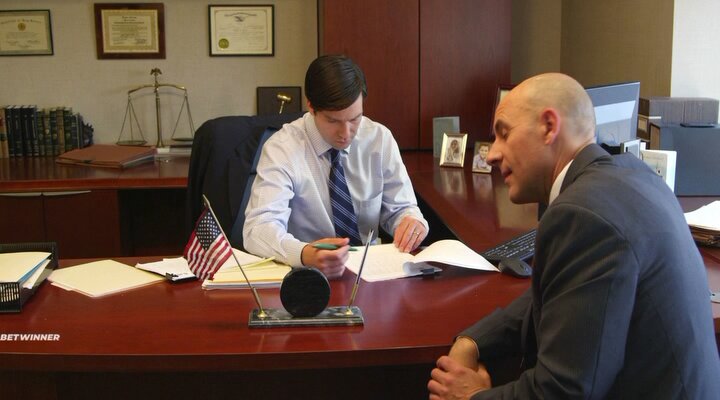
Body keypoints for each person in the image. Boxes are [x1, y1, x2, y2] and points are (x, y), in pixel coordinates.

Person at [428, 73, 720, 399]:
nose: (492, 154)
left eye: (504, 134)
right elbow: (565, 294)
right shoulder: (634, 174)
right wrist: (474, 341)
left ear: (549, 127)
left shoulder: (582, 215)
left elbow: (564, 391)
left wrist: (471, 396)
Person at [243, 55, 428, 280]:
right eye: (333, 121)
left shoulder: (379, 139)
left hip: (371, 273)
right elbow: (258, 229)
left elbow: (402, 209)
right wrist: (304, 253)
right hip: (307, 275)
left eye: (355, 119)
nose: (346, 133)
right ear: (311, 106)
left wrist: (410, 222)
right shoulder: (282, 149)